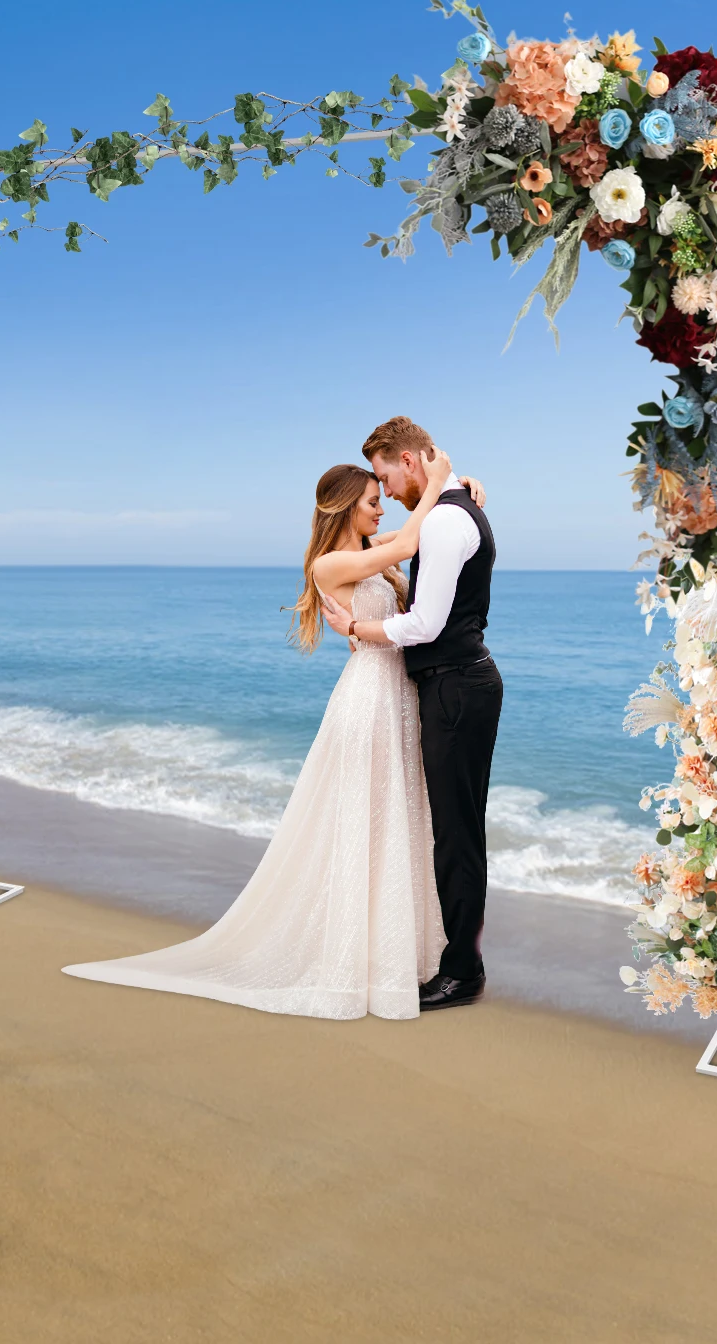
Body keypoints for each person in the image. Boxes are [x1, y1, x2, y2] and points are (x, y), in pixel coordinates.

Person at [62, 450, 485, 1020]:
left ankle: (402, 953)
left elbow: (414, 568)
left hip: (402, 701)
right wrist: (443, 484)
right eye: (371, 501)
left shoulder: (372, 562)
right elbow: (412, 543)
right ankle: (356, 962)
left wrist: (461, 490)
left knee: (399, 822)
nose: (381, 507)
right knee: (365, 824)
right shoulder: (330, 566)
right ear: (344, 510)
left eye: (382, 498)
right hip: (367, 701)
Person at [321, 416, 502, 1011]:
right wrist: (444, 485)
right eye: (373, 493)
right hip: (441, 687)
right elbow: (391, 546)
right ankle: (450, 956)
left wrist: (354, 628)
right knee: (447, 830)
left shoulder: (447, 519)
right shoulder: (436, 516)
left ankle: (462, 970)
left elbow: (423, 624)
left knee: (455, 834)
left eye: (386, 479)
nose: (387, 495)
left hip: (454, 686)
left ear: (409, 460)